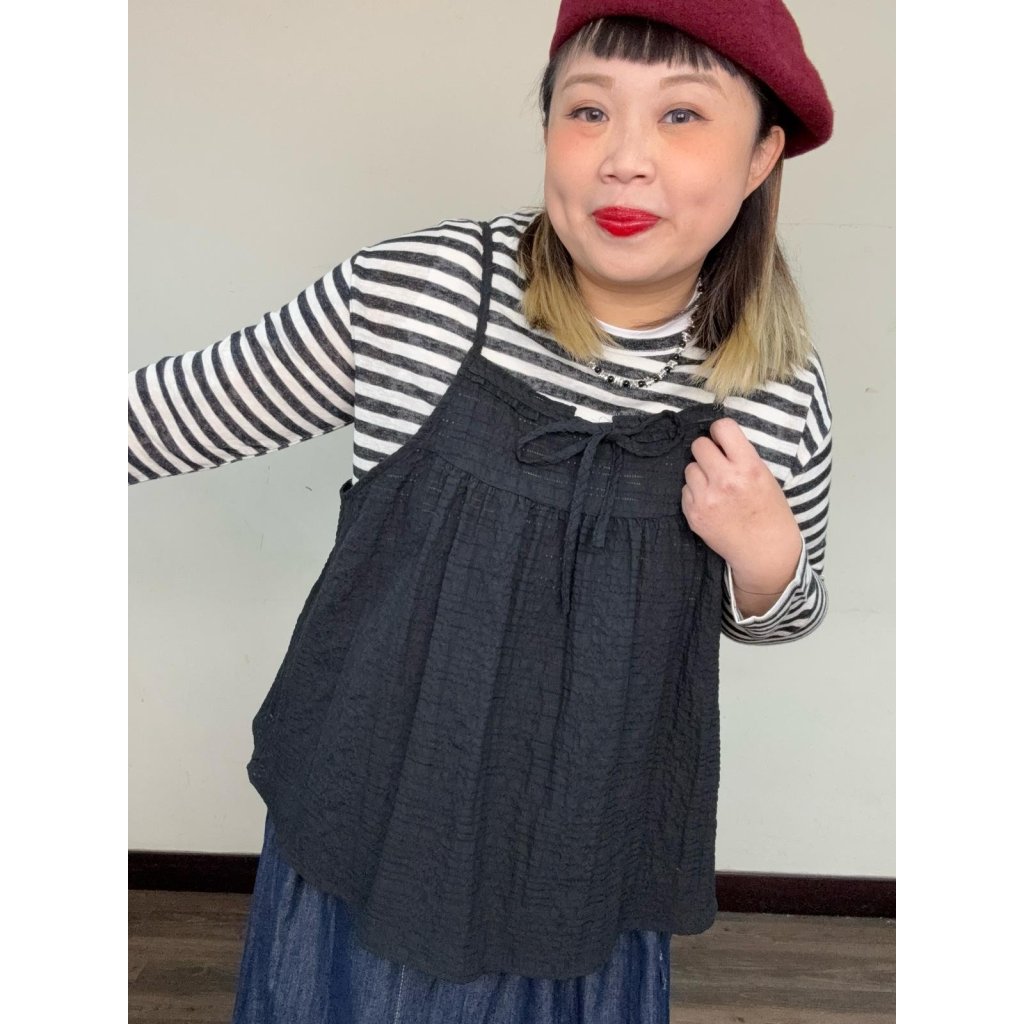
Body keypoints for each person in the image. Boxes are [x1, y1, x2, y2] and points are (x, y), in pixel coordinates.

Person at [129, 0, 834, 1020]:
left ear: (762, 153)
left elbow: (784, 611)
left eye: (682, 116)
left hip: (586, 849)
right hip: (376, 816)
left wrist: (766, 556)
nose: (623, 160)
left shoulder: (775, 388)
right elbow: (162, 419)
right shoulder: (419, 293)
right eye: (587, 110)